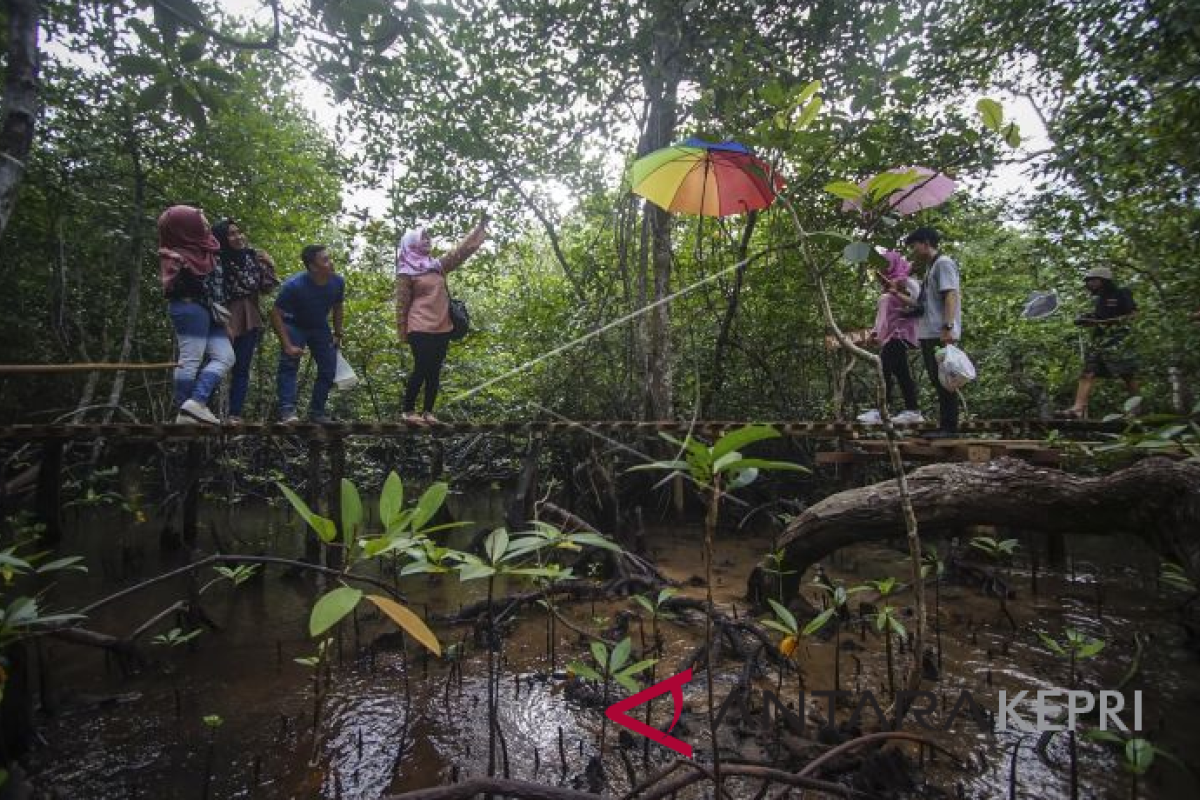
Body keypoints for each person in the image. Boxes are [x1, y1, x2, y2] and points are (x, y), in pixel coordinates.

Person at [395, 219, 488, 423]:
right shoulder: (405, 271)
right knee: (421, 366)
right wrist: (403, 332)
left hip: (442, 326)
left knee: (434, 370)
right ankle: (408, 411)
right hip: (419, 326)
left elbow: (459, 253)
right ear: (411, 243)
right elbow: (402, 304)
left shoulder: (437, 266)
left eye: (428, 237)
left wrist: (479, 230)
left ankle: (428, 412)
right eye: (422, 237)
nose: (427, 240)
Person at [158, 205, 233, 425]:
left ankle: (195, 403)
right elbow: (181, 286)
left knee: (226, 356)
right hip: (190, 309)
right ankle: (187, 409)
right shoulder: (175, 254)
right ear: (187, 227)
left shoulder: (206, 248)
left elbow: (215, 287)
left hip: (210, 312)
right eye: (201, 220)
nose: (206, 223)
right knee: (190, 359)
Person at [211, 219, 279, 423]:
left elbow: (267, 288)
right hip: (224, 314)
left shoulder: (253, 257)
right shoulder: (217, 259)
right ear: (223, 238)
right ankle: (201, 410)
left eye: (239, 232)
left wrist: (270, 264)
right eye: (231, 234)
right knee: (216, 363)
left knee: (242, 367)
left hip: (250, 314)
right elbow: (213, 291)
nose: (238, 237)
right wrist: (224, 323)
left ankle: (234, 414)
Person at [272, 244, 345, 424]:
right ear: (313, 266)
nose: (331, 262)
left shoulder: (337, 282)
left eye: (329, 258)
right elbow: (275, 313)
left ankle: (317, 412)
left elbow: (338, 307)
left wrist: (338, 333)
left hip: (319, 326)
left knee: (329, 367)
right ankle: (287, 411)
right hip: (294, 324)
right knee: (289, 365)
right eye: (325, 260)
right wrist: (287, 344)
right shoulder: (294, 286)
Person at [1057, 267, 1139, 419]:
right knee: (1088, 371)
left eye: (1094, 280)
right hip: (1099, 340)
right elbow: (1099, 317)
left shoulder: (1122, 293)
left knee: (1127, 374)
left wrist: (1103, 321)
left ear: (1105, 281)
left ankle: (1136, 410)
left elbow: (1133, 315)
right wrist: (1087, 320)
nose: (1091, 284)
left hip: (1119, 339)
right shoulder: (1100, 299)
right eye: (1089, 281)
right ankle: (1078, 408)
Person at [904, 227, 963, 437]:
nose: (913, 251)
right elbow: (924, 304)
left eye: (914, 246)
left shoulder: (943, 263)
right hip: (929, 332)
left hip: (940, 332)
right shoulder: (931, 268)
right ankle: (945, 425)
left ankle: (949, 428)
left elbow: (950, 295)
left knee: (945, 379)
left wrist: (948, 327)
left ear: (926, 243)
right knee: (937, 379)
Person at [857, 251, 924, 425]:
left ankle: (881, 411)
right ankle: (913, 410)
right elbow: (885, 315)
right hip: (890, 335)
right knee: (901, 373)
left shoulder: (908, 283)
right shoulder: (888, 286)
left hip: (901, 334)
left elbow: (919, 305)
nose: (883, 269)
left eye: (886, 265)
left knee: (884, 368)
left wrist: (896, 293)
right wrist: (875, 333)